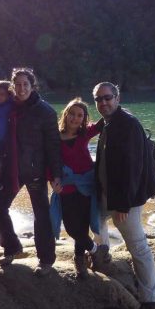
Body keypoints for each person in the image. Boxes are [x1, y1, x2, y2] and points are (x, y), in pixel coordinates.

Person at [92, 81, 155, 309]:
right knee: (95, 220)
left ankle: (151, 303)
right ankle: (101, 254)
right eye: (99, 99)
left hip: (125, 199)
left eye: (107, 97)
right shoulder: (110, 122)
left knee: (138, 247)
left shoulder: (128, 125)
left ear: (117, 97)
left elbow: (133, 169)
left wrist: (122, 205)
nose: (103, 102)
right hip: (107, 193)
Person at [0, 68, 63, 276]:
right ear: (13, 86)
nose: (22, 88)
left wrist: (57, 174)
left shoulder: (45, 111)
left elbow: (53, 146)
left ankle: (47, 260)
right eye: (18, 84)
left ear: (33, 86)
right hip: (11, 169)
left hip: (35, 170)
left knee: (41, 214)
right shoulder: (8, 107)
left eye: (26, 84)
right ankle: (12, 247)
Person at [48, 98, 109, 279]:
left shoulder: (84, 134)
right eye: (72, 114)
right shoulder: (54, 137)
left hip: (87, 185)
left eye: (80, 115)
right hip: (66, 187)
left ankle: (79, 258)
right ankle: (96, 249)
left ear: (84, 119)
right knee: (71, 227)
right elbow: (49, 161)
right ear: (65, 115)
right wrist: (52, 181)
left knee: (82, 226)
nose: (75, 118)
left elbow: (104, 122)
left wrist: (114, 105)